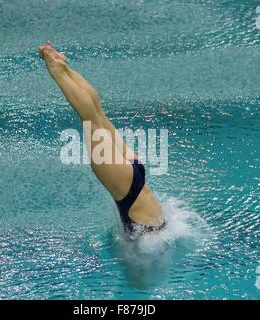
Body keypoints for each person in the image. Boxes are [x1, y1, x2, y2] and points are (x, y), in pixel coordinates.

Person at [38, 41, 165, 240]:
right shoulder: (151, 242)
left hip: (134, 179)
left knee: (96, 114)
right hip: (129, 187)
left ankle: (64, 68)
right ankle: (58, 69)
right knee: (93, 118)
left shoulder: (153, 239)